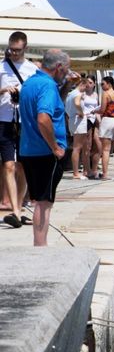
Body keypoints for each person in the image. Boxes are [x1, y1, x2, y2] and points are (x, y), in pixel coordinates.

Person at [19, 49, 78, 246]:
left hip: (28, 150)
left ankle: (39, 245)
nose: (67, 73)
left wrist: (68, 85)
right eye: (66, 69)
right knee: (44, 204)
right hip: (45, 153)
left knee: (39, 201)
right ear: (59, 67)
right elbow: (43, 118)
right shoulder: (47, 86)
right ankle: (40, 247)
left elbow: (52, 107)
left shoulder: (29, 83)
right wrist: (56, 147)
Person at [0, 31, 35, 228]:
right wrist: (4, 90)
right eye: (11, 50)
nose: (13, 53)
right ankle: (14, 210)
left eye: (17, 50)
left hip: (24, 121)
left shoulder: (31, 69)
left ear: (25, 49)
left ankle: (19, 207)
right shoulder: (1, 68)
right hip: (4, 119)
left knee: (22, 166)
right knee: (8, 165)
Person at [71, 76, 100, 179]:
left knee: (93, 145)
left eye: (91, 82)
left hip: (93, 120)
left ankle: (89, 169)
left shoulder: (96, 95)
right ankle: (86, 170)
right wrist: (81, 113)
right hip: (85, 119)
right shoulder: (82, 94)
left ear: (94, 84)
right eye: (87, 82)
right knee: (85, 146)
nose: (88, 84)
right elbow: (77, 104)